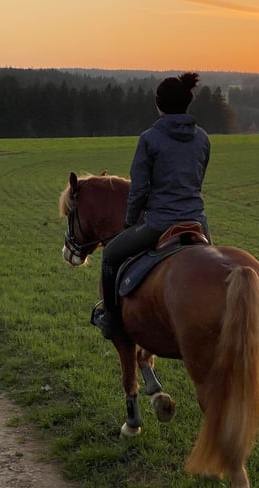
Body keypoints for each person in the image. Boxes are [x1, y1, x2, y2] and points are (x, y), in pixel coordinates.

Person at [91, 72, 212, 339]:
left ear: (159, 104)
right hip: (197, 222)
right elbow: (198, 179)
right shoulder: (202, 138)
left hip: (159, 223)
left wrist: (130, 221)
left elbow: (139, 188)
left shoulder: (149, 138)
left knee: (111, 255)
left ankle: (111, 319)